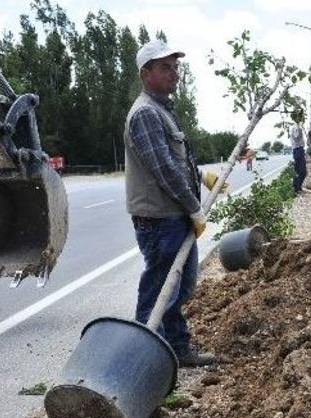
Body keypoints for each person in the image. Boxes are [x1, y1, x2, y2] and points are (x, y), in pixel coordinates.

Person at [124, 40, 216, 366]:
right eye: (165, 67)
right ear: (145, 73)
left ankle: (178, 349)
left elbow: (176, 161)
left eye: (175, 67)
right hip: (160, 219)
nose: (174, 74)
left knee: (178, 287)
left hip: (174, 217)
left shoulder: (163, 109)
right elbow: (163, 169)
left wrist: (203, 176)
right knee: (160, 292)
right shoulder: (146, 114)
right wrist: (194, 206)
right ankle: (144, 364)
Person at [289, 111, 307, 193]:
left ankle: (298, 187)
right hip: (297, 149)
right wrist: (300, 128)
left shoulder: (297, 126)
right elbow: (296, 137)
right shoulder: (295, 127)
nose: (301, 119)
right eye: (300, 117)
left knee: (301, 171)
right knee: (301, 170)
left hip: (300, 149)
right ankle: (296, 187)